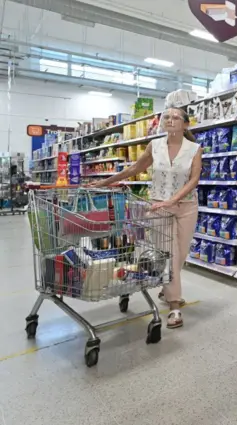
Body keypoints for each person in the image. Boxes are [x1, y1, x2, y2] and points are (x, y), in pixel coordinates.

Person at [90, 107, 202, 329]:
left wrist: (174, 200)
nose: (170, 120)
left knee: (181, 255)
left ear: (185, 124)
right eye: (166, 117)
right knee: (170, 255)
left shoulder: (194, 149)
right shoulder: (155, 146)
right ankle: (174, 306)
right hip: (159, 207)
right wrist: (105, 182)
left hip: (187, 206)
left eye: (176, 117)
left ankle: (168, 288)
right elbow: (134, 169)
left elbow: (194, 178)